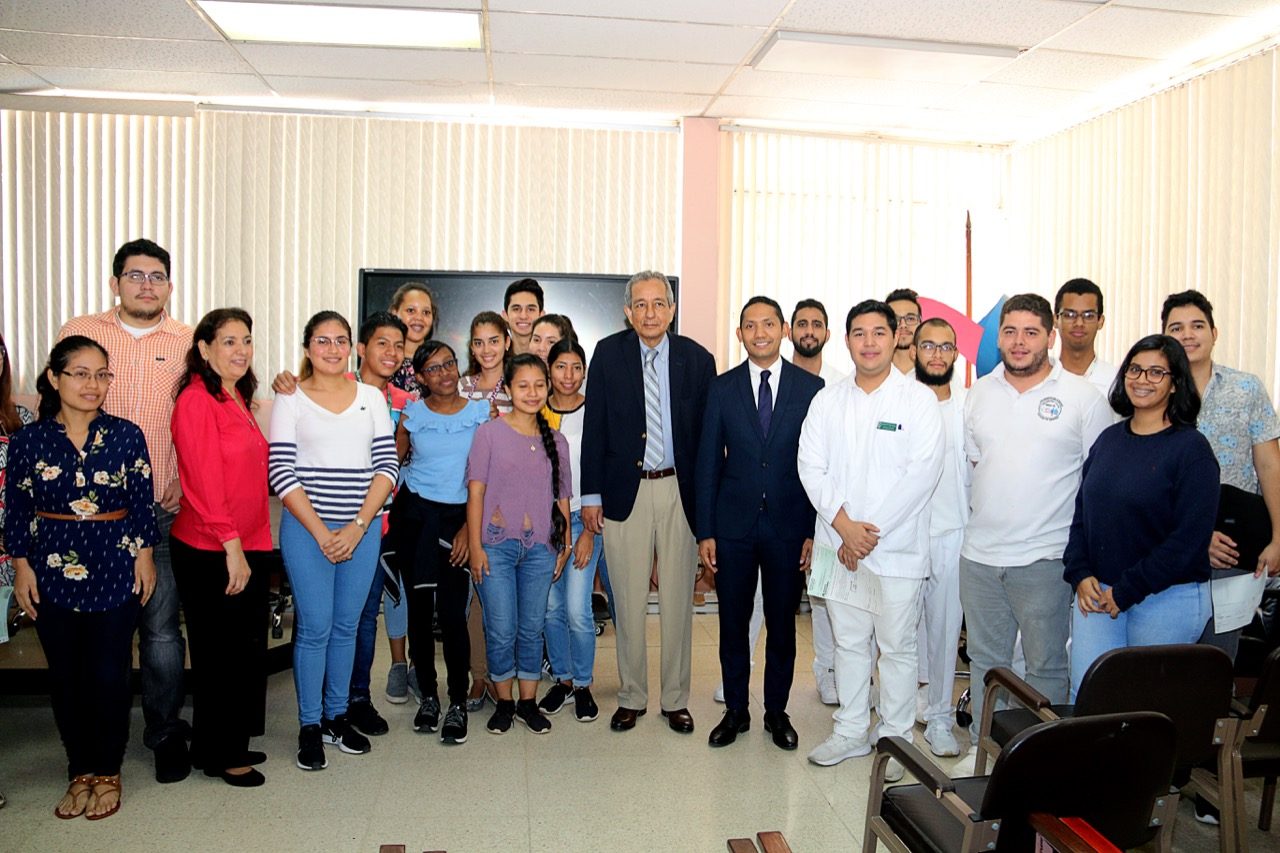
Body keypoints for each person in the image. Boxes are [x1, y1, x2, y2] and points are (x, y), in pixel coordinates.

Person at [57, 238, 193, 783]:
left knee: (161, 629)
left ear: (169, 285)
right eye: (135, 275)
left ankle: (164, 731)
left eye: (157, 276)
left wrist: (184, 477)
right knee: (92, 632)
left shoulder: (188, 341)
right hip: (84, 518)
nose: (146, 285)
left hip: (159, 508)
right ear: (115, 283)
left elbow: (202, 416)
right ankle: (90, 743)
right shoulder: (81, 333)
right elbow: (54, 413)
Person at [6, 336, 158, 819]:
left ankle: (108, 771)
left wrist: (146, 556)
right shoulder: (30, 439)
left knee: (112, 674)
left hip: (116, 564)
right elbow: (17, 509)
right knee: (67, 677)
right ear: (54, 378)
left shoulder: (126, 434)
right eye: (80, 373)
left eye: (102, 374)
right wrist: (22, 564)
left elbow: (140, 503)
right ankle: (80, 770)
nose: (93, 384)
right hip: (50, 570)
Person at [959, 294, 1112, 753]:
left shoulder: (1082, 397)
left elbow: (1097, 482)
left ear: (1050, 336)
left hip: (1045, 559)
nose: (1019, 342)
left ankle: (1042, 761)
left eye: (1030, 332)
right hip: (980, 558)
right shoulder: (980, 393)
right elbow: (975, 467)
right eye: (1010, 332)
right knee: (987, 663)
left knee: (1046, 666)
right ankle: (984, 754)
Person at [798, 301, 943, 775]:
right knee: (849, 643)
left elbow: (922, 475)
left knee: (898, 648)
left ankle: (896, 739)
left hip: (895, 549)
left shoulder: (917, 400)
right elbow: (810, 466)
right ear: (848, 341)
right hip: (837, 544)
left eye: (878, 332)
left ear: (896, 337)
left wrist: (865, 533)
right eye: (859, 333)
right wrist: (843, 527)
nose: (869, 342)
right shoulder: (827, 400)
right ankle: (850, 730)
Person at [581, 271, 716, 734]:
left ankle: (675, 698)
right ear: (627, 311)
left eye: (659, 303)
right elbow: (595, 427)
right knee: (629, 597)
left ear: (672, 309)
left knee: (679, 598)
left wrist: (708, 504)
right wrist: (591, 495)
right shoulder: (607, 354)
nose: (650, 313)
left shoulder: (698, 360)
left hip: (680, 490)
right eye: (640, 304)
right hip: (625, 491)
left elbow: (706, 438)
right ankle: (632, 695)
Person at [268, 311, 398, 771]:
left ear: (351, 347)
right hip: (308, 534)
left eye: (340, 340)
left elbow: (387, 466)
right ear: (307, 348)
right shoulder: (291, 398)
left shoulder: (371, 397)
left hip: (360, 532)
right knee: (316, 627)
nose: (331, 347)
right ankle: (308, 726)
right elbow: (281, 472)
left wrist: (357, 526)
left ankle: (336, 717)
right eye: (321, 340)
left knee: (347, 627)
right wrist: (325, 533)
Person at [696, 297, 823, 750]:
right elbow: (708, 462)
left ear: (783, 329)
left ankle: (776, 711)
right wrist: (705, 530)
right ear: (740, 335)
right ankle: (736, 711)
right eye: (750, 325)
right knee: (732, 622)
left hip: (789, 525)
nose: (760, 332)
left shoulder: (812, 388)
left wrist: (812, 529)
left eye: (768, 323)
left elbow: (818, 466)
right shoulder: (723, 388)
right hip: (733, 525)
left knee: (782, 625)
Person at [1064, 334, 1218, 695]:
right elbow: (1082, 517)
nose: (1142, 380)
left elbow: (1188, 541)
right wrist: (1080, 572)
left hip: (1165, 599)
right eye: (1134, 369)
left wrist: (1127, 589)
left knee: (1145, 706)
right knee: (1087, 698)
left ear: (1176, 383)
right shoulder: (1109, 440)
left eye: (1155, 373)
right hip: (1099, 595)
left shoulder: (1191, 450)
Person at [170, 308, 271, 787]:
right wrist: (232, 547)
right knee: (220, 655)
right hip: (212, 547)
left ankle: (220, 742)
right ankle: (221, 755)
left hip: (247, 540)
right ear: (204, 348)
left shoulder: (235, 396)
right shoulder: (195, 400)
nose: (241, 350)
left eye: (246, 340)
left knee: (241, 651)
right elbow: (203, 481)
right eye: (228, 341)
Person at [1162, 291, 1280, 660]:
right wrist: (1196, 538)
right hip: (1170, 547)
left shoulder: (1247, 388)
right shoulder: (1152, 391)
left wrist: (1278, 537)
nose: (1188, 335)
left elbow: (1270, 465)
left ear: (1215, 332)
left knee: (1216, 662)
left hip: (1234, 548)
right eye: (1176, 327)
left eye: (1197, 325)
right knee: (1166, 663)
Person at [467, 353, 572, 734]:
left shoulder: (556, 440)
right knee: (500, 627)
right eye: (523, 385)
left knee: (532, 627)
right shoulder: (489, 433)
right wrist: (477, 547)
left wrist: (565, 544)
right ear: (508, 389)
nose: (532, 392)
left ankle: (527, 702)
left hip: (542, 548)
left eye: (539, 385)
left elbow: (563, 498)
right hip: (495, 546)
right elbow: (475, 493)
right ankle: (504, 701)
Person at [391, 340, 489, 744]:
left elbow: (488, 478)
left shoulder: (483, 414)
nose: (445, 373)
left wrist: (470, 528)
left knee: (452, 614)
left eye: (449, 364)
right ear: (420, 376)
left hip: (459, 519)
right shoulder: (411, 415)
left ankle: (456, 702)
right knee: (418, 611)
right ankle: (428, 696)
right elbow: (392, 464)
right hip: (416, 518)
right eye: (433, 368)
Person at [911, 318, 970, 757]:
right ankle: (895, 714)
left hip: (953, 534)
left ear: (956, 354)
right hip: (902, 536)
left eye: (945, 347)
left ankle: (940, 718)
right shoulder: (899, 403)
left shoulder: (969, 407)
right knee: (896, 633)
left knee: (946, 631)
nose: (936, 354)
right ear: (913, 350)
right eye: (927, 345)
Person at [537, 339, 604, 722]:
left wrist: (589, 532)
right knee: (550, 608)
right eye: (561, 366)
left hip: (584, 521)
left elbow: (607, 470)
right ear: (550, 369)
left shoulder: (596, 411)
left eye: (576, 367)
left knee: (578, 609)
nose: (569, 375)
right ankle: (561, 679)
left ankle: (583, 683)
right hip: (545, 524)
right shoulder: (537, 412)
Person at [789, 298, 845, 705]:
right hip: (779, 504)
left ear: (827, 334)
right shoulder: (776, 378)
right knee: (758, 597)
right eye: (802, 324)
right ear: (790, 331)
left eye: (817, 325)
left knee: (825, 596)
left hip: (825, 512)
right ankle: (738, 675)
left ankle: (829, 671)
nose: (809, 331)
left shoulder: (841, 386)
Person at [1055, 278, 1116, 397]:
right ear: (1055, 320)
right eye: (1070, 315)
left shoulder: (1117, 381)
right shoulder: (1041, 379)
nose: (1079, 323)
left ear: (1100, 321)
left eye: (1088, 316)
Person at [460, 311, 514, 418]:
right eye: (479, 343)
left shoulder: (516, 386)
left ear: (507, 342)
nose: (486, 350)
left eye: (493, 341)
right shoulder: (461, 386)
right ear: (472, 348)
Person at [388, 281, 437, 396]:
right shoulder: (384, 361)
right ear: (395, 313)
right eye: (411, 310)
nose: (419, 318)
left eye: (426, 312)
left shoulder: (442, 362)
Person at [885, 288, 922, 375]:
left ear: (920, 323)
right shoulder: (872, 370)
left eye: (910, 318)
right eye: (895, 319)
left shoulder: (936, 371)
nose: (903, 325)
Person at [503, 278, 545, 356]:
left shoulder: (551, 362)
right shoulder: (496, 364)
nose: (523, 316)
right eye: (516, 309)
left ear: (541, 315)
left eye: (530, 309)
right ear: (505, 315)